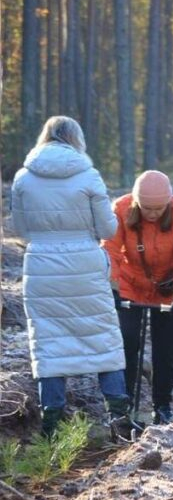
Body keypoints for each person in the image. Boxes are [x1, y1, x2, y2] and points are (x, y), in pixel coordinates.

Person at [11, 116, 130, 437]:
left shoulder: (24, 177)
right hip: (85, 263)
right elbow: (107, 229)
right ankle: (118, 417)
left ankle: (52, 424)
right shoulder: (88, 175)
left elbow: (20, 230)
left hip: (42, 266)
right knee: (103, 338)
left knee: (48, 343)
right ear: (76, 139)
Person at [102, 170, 173, 428]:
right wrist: (111, 289)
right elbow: (110, 250)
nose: (153, 214)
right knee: (126, 342)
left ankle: (162, 405)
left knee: (166, 349)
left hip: (167, 290)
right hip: (130, 285)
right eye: (147, 208)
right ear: (136, 202)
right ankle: (122, 407)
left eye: (159, 208)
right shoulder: (121, 209)